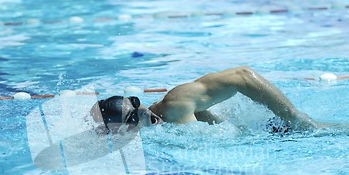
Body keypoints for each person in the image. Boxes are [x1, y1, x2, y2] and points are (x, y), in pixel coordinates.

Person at [91, 66, 317, 133]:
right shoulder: (165, 115)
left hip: (253, 90)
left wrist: (289, 112)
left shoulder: (173, 108)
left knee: (305, 125)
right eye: (131, 120)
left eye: (135, 110)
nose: (140, 117)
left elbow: (241, 74)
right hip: (266, 129)